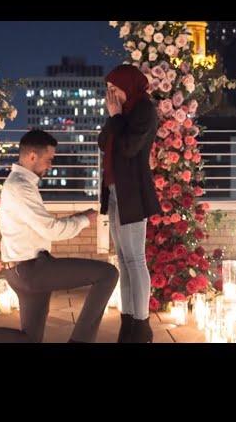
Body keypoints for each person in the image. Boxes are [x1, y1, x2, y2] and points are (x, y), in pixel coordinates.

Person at [0, 129, 118, 343]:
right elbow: (51, 230)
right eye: (49, 159)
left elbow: (41, 225)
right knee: (108, 274)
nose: (51, 165)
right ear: (31, 156)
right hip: (30, 270)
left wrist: (78, 216)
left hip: (21, 270)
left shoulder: (19, 184)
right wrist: (85, 220)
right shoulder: (20, 187)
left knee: (29, 339)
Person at [98, 64, 161, 343]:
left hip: (132, 191)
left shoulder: (144, 110)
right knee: (123, 260)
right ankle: (128, 321)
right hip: (114, 190)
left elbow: (128, 148)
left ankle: (141, 324)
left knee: (136, 259)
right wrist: (114, 117)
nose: (111, 95)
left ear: (128, 85)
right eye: (108, 90)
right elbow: (103, 142)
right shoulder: (120, 113)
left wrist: (116, 118)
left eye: (115, 89)